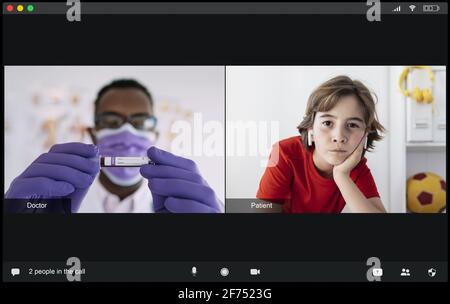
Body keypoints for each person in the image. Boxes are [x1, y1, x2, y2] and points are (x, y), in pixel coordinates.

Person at [5, 79, 223, 213]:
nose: (127, 132)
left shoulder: (178, 204)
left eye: (140, 122)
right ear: (92, 133)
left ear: (154, 136)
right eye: (111, 121)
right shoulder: (52, 199)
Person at [256, 76, 387, 213]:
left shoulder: (355, 167)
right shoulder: (284, 153)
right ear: (310, 128)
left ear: (365, 134)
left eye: (352, 125)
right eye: (327, 123)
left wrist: (342, 176)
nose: (339, 137)